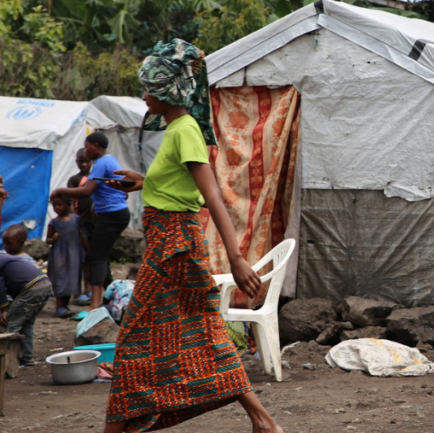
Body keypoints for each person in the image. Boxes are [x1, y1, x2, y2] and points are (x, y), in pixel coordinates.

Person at [100, 39, 282, 433]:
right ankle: (263, 421)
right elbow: (183, 189)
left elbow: (211, 193)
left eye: (150, 88)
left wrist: (235, 257)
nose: (145, 95)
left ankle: (261, 420)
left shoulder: (184, 131)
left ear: (168, 90)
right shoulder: (180, 130)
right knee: (199, 332)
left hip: (174, 248)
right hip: (170, 245)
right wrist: (144, 183)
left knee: (135, 340)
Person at [51, 133, 130, 312]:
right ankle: (112, 298)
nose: (86, 152)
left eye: (87, 147)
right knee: (101, 256)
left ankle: (95, 304)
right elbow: (106, 189)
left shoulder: (102, 163)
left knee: (96, 257)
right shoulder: (107, 161)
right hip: (112, 213)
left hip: (113, 215)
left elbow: (87, 190)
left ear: (95, 146)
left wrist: (60, 190)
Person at [0, 224, 53, 366]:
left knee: (12, 324)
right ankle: (27, 358)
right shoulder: (6, 258)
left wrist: (4, 308)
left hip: (32, 288)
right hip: (45, 285)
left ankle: (8, 362)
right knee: (27, 324)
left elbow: (0, 286)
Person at [46, 195, 88, 318]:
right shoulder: (54, 222)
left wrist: (88, 248)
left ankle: (65, 306)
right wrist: (53, 239)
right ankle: (59, 307)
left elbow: (81, 235)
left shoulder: (76, 219)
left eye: (60, 204)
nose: (57, 208)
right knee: (60, 278)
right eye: (54, 205)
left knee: (71, 278)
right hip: (59, 255)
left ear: (69, 204)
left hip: (74, 254)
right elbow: (47, 240)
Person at [68, 148, 96, 306]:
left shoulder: (95, 178)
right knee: (78, 259)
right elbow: (71, 200)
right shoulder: (74, 180)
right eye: (81, 161)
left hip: (93, 223)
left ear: (92, 161)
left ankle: (89, 290)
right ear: (76, 162)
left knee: (89, 259)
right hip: (80, 223)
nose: (84, 164)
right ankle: (76, 292)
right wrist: (75, 221)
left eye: (87, 161)